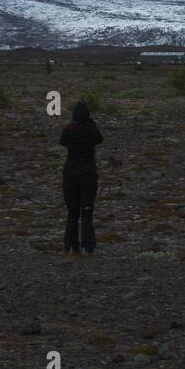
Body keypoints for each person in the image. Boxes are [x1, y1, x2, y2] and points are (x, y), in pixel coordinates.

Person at [59, 101, 104, 254]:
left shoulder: (69, 129)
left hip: (70, 173)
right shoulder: (91, 129)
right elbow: (99, 139)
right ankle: (88, 244)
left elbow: (62, 142)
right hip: (88, 174)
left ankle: (71, 244)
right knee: (87, 211)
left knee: (72, 212)